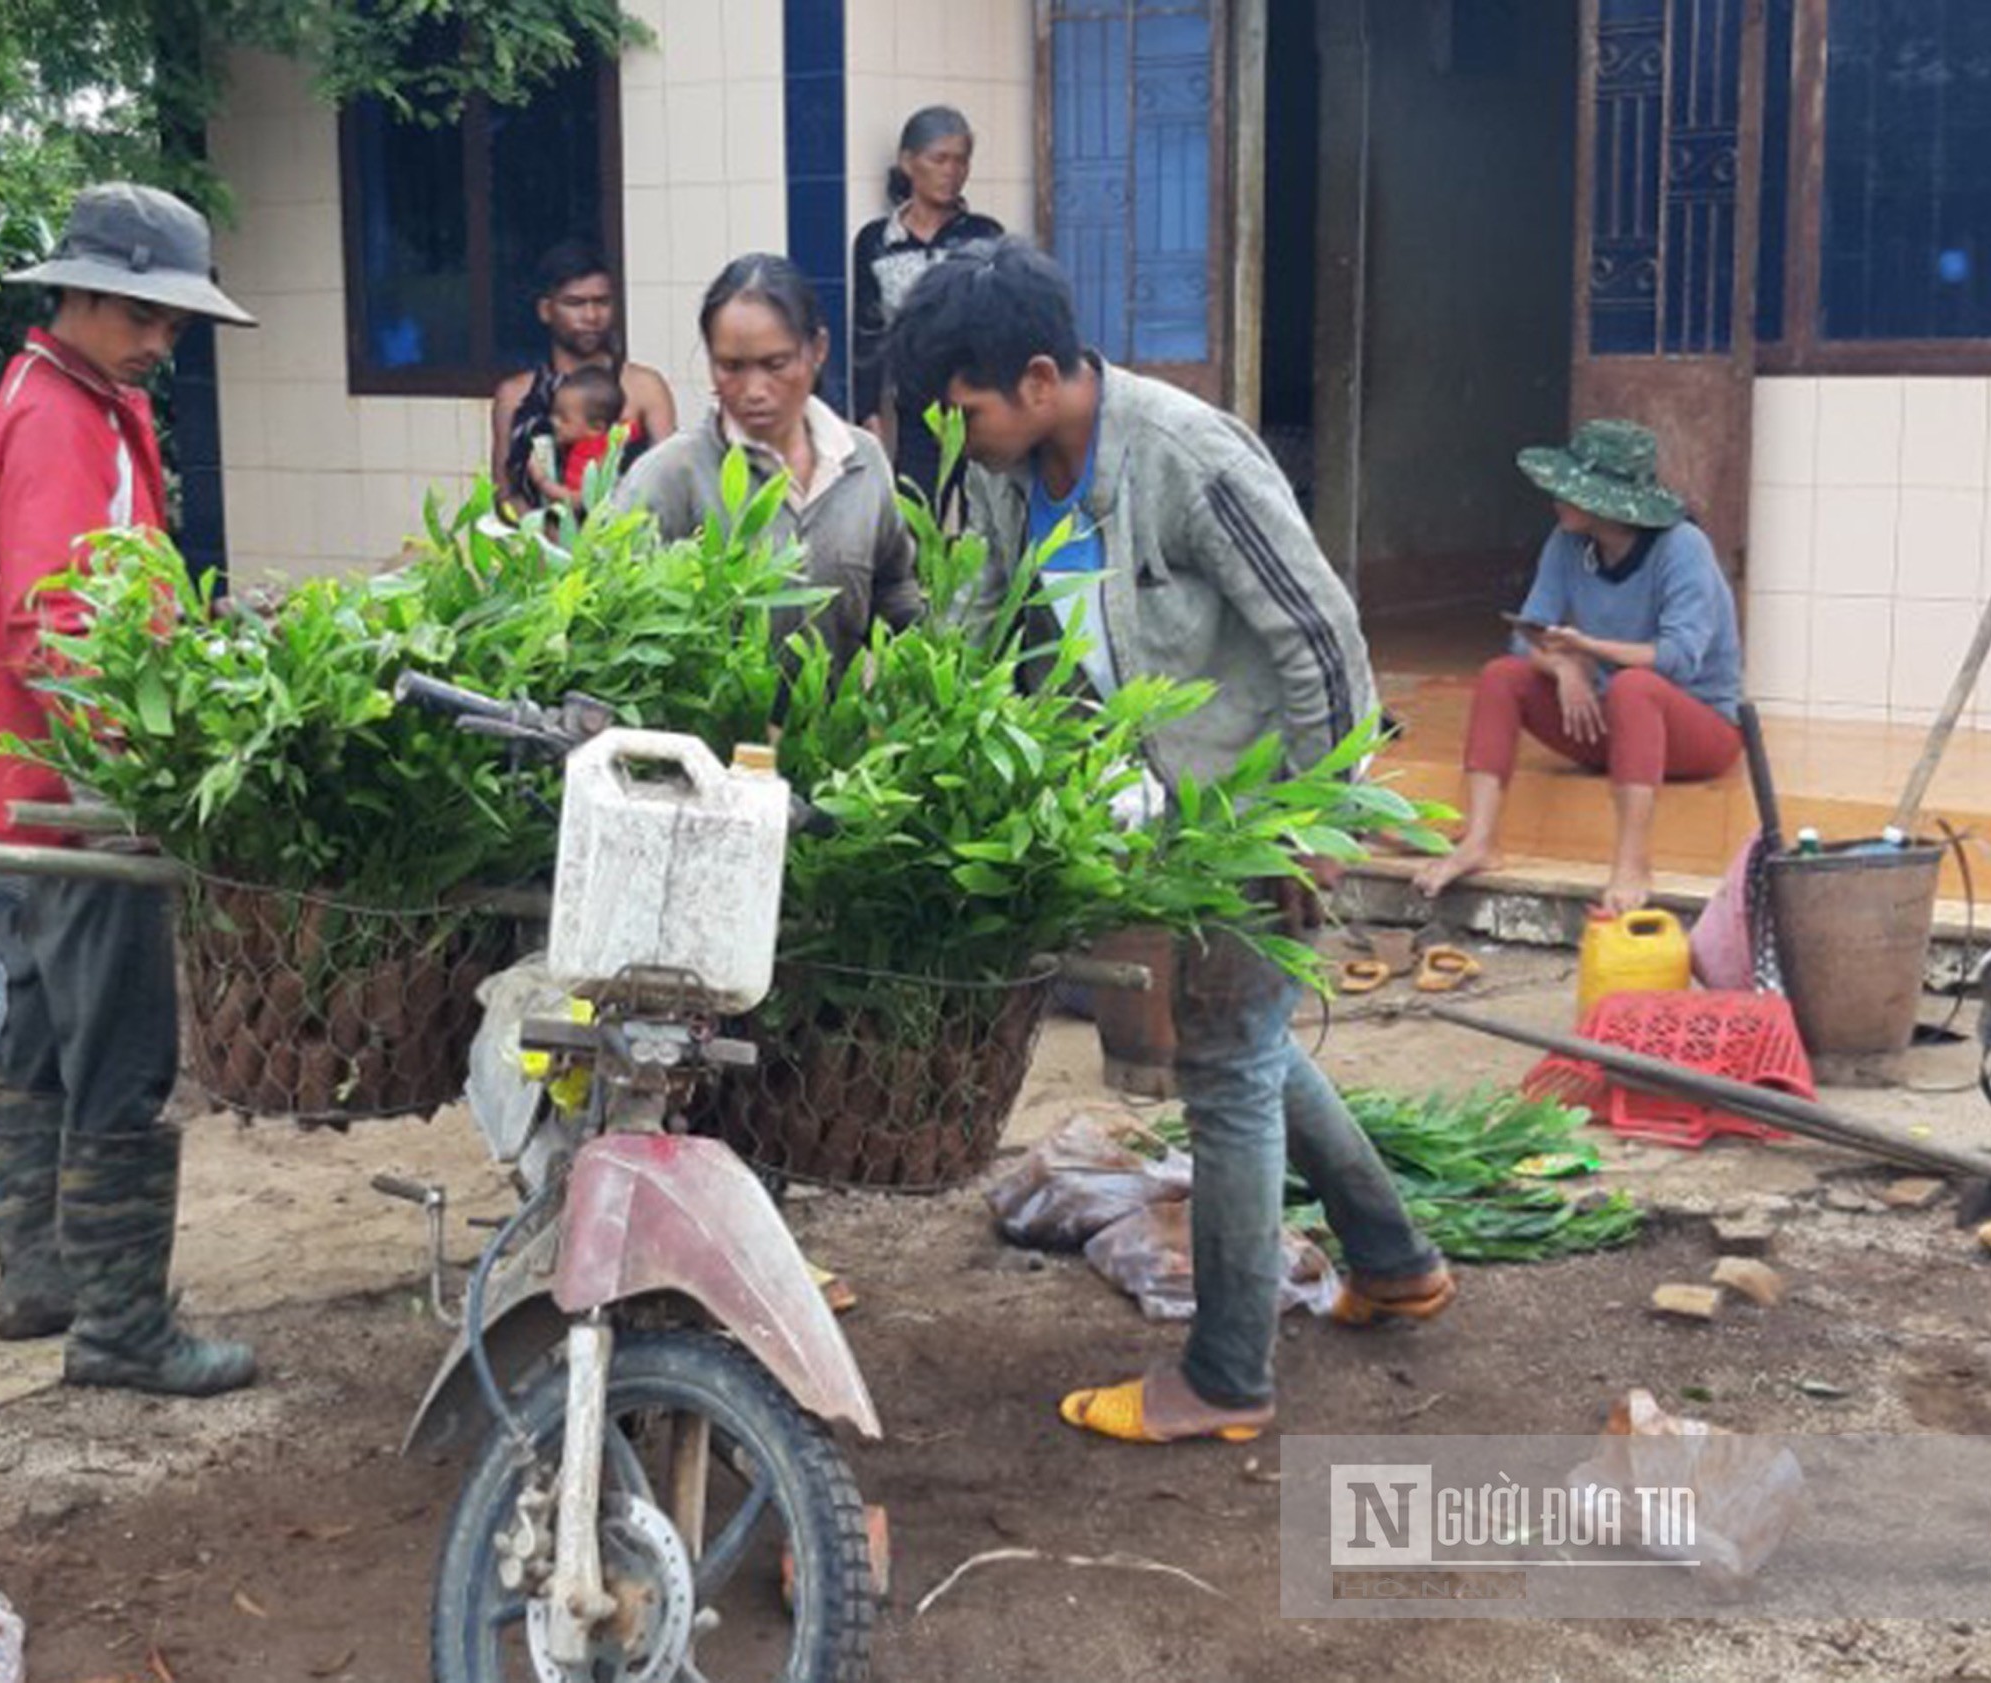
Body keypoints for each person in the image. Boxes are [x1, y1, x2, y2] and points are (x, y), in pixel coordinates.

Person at [892, 238, 1450, 1444]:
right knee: (1242, 1039)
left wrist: (1317, 816)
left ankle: (1227, 1375)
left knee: (1229, 1060)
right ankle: (1397, 1260)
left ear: (1039, 376)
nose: (958, 432)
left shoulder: (1183, 456)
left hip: (1258, 798)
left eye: (966, 407)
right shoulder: (999, 475)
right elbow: (980, 627)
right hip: (1157, 806)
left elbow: (1317, 634)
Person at [0, 183, 260, 1398]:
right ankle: (123, 1330)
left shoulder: (85, 401)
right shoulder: (59, 423)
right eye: (143, 315)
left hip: (27, 785)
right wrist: (149, 771)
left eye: (175, 323)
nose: (161, 341)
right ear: (77, 293)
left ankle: (39, 1278)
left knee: (34, 1039)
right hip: (76, 795)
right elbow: (57, 626)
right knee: (123, 1057)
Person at [1413, 420, 1744, 915]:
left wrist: (1587, 646)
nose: (1556, 497)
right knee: (1501, 675)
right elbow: (1525, 634)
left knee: (1635, 687)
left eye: (1571, 489)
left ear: (1608, 501)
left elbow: (1677, 660)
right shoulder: (1567, 543)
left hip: (1700, 729)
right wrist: (1564, 668)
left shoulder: (1682, 548)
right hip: (1610, 723)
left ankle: (1632, 864)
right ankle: (1479, 840)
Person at [608, 253, 920, 664]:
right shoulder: (672, 475)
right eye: (731, 367)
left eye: (775, 364)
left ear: (818, 350)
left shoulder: (860, 461)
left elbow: (896, 596)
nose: (754, 389)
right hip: (711, 730)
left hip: (835, 725)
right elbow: (618, 621)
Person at [850, 106, 1004, 505]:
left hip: (981, 406)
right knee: (914, 519)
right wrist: (869, 413)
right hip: (917, 409)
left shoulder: (984, 236)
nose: (952, 171)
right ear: (908, 162)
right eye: (940, 159)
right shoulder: (877, 242)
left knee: (984, 525)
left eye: (961, 160)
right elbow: (868, 334)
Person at [490, 241, 677, 514]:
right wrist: (547, 540)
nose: (591, 316)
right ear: (545, 310)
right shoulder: (515, 395)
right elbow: (504, 494)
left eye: (602, 302)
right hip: (538, 550)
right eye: (575, 303)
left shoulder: (645, 387)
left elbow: (669, 485)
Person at [529, 364, 627, 507]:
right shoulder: (562, 448)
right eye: (554, 413)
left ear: (596, 429)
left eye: (564, 418)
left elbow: (579, 501)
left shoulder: (600, 458)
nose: (553, 421)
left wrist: (541, 480)